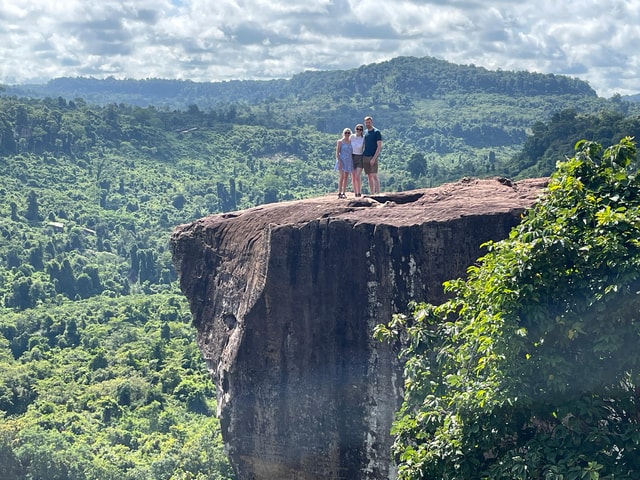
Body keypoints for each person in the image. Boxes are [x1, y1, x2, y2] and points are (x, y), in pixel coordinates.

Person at [362, 116, 382, 194]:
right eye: (366, 122)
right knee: (369, 176)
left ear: (372, 122)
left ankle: (378, 193)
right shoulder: (365, 132)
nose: (368, 124)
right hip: (365, 156)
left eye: (369, 122)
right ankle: (372, 193)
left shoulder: (376, 132)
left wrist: (374, 158)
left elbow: (379, 146)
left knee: (374, 175)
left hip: (373, 156)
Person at [335, 128, 353, 198]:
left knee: (346, 177)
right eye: (346, 133)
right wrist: (339, 161)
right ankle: (339, 192)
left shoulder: (351, 141)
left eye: (348, 133)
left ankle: (344, 192)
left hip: (348, 161)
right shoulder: (340, 142)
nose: (347, 134)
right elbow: (337, 153)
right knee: (341, 176)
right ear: (343, 133)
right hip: (342, 160)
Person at [350, 123, 365, 197]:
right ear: (355, 129)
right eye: (357, 129)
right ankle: (355, 192)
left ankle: (359, 192)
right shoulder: (352, 137)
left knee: (357, 176)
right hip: (352, 157)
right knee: (353, 176)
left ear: (362, 130)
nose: (358, 130)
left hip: (360, 157)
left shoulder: (363, 138)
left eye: (360, 129)